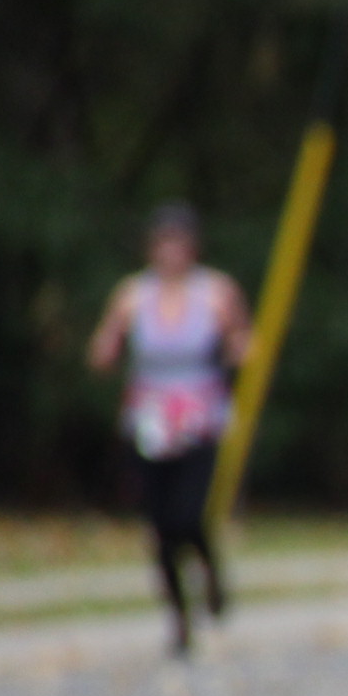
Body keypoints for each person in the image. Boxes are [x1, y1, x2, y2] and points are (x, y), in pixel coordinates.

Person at [86, 204, 249, 658]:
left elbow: (242, 340)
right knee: (159, 527)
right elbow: (104, 347)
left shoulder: (215, 292)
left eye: (178, 242)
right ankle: (178, 618)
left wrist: (240, 350)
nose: (170, 252)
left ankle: (210, 573)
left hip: (200, 417)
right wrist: (104, 351)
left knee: (190, 515)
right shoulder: (132, 296)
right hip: (150, 419)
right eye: (163, 243)